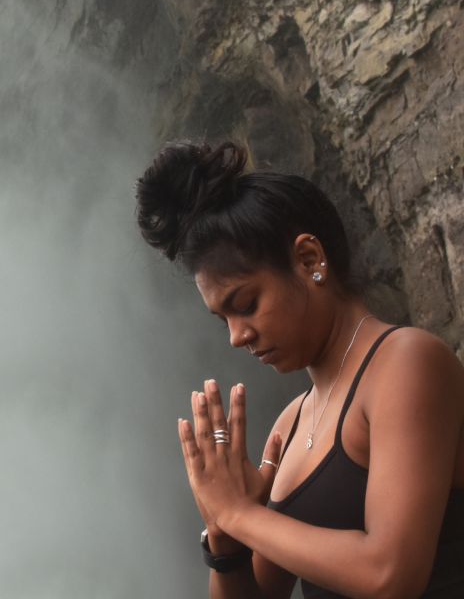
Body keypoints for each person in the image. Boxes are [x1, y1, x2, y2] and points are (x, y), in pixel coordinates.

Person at [135, 140, 464, 598]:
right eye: (223, 320)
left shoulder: (406, 363)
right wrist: (225, 541)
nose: (236, 336)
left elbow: (390, 574)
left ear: (309, 259)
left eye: (246, 305)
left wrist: (242, 516)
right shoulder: (290, 426)